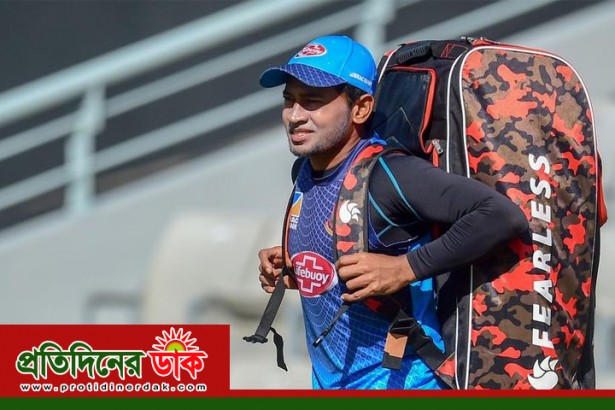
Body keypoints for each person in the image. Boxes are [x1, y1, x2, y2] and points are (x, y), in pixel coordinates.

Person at [255, 34, 528, 390]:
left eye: (312, 101)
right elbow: (359, 240)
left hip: (407, 382)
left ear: (361, 108)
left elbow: (502, 215)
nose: (294, 116)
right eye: (289, 99)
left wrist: (405, 268)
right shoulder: (305, 171)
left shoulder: (390, 174)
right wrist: (298, 260)